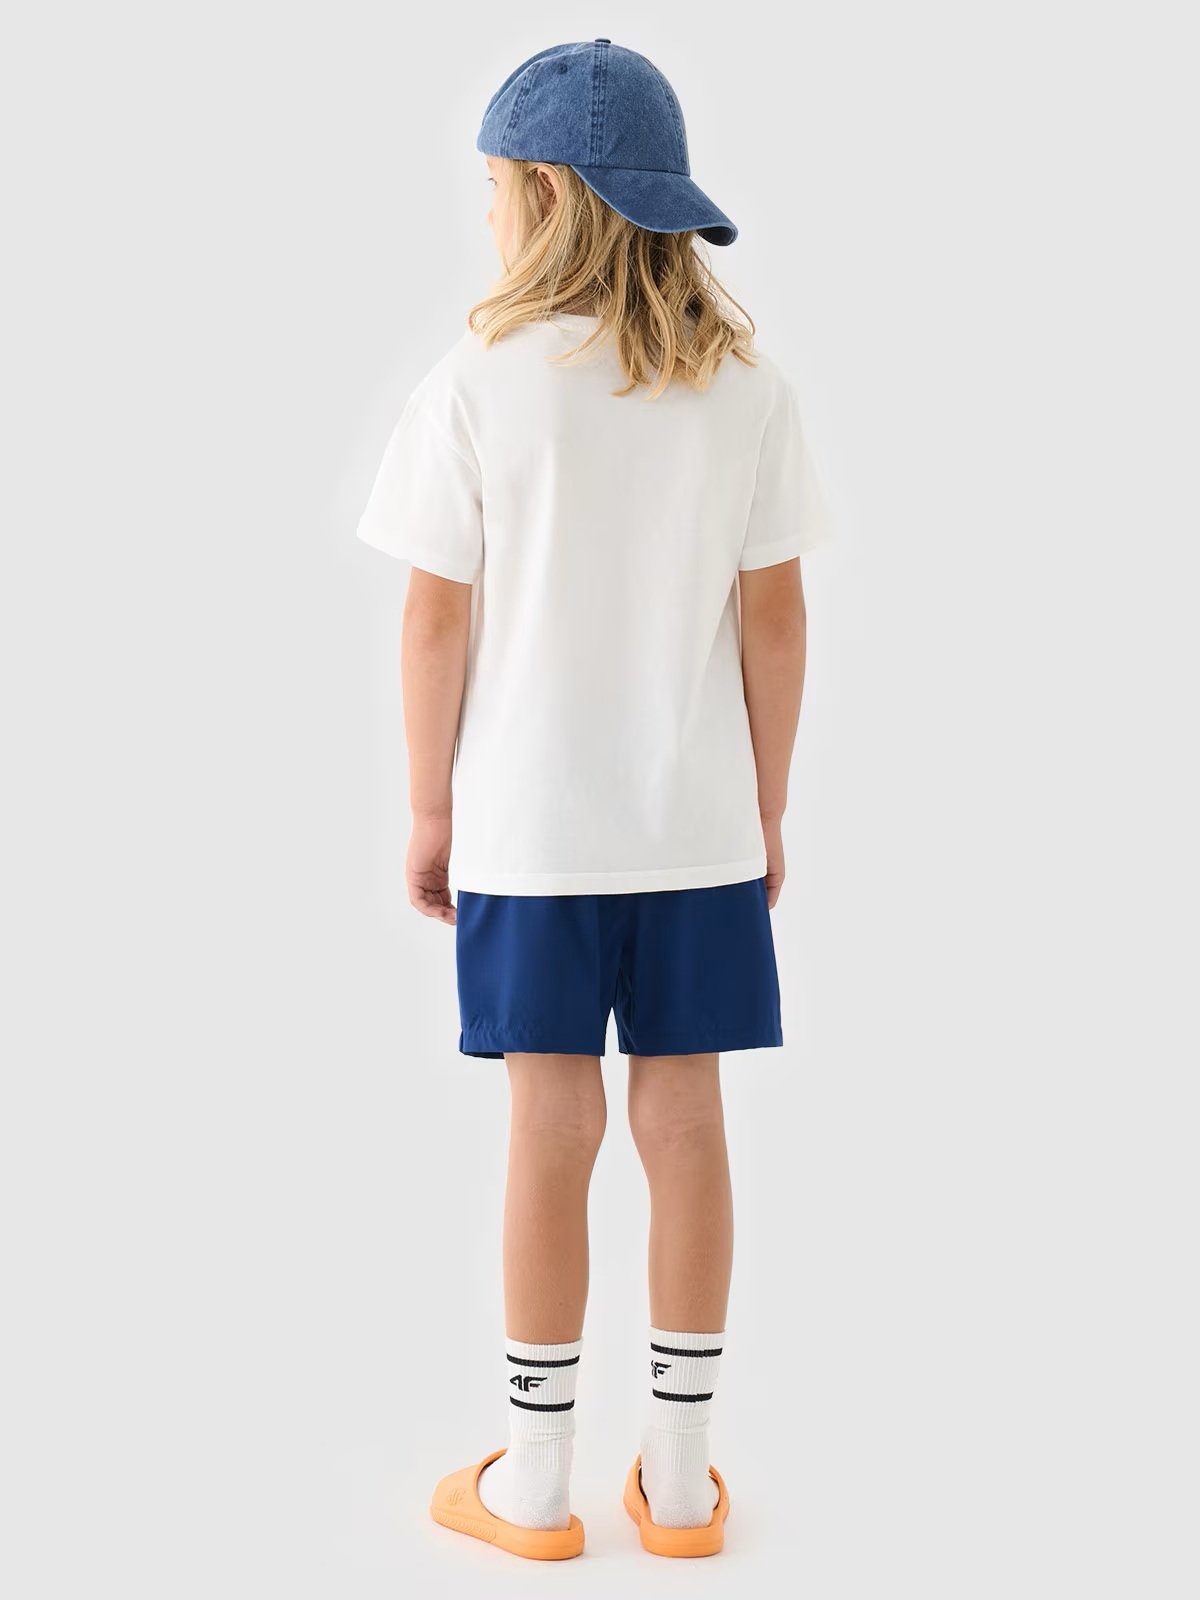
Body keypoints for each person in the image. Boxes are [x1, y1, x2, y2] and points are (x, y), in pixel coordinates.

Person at [357, 39, 833, 1562]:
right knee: (686, 1125)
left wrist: (428, 811)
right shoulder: (744, 387)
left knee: (545, 1129)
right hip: (695, 829)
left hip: (528, 833)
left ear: (550, 197)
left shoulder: (475, 385)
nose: (489, 215)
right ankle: (682, 1484)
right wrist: (766, 806)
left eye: (497, 189)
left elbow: (433, 620)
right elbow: (777, 620)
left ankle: (538, 1480)